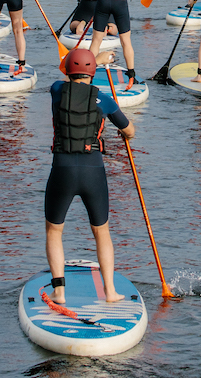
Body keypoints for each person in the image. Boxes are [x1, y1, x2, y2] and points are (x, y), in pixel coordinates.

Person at [44, 47, 135, 306]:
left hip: (62, 169)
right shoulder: (104, 100)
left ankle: (59, 292)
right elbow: (130, 129)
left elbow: (64, 70)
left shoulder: (56, 91)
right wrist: (126, 134)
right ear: (92, 73)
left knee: (54, 230)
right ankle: (110, 292)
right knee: (102, 231)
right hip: (93, 171)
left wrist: (96, 58)